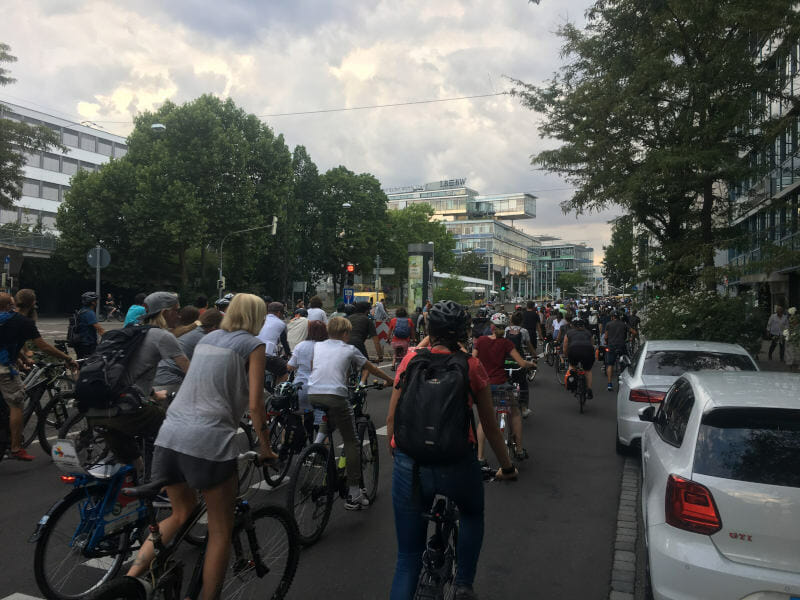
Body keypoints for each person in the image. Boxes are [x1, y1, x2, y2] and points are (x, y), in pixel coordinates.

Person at [127, 294, 278, 599]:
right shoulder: (253, 345)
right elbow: (255, 404)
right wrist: (265, 448)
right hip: (208, 440)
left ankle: (128, 583)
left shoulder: (208, 339)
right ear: (257, 317)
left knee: (180, 513)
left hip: (169, 435)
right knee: (221, 532)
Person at [386, 300, 518, 600]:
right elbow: (490, 425)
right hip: (457, 462)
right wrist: (507, 466)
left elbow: (392, 419)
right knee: (472, 513)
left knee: (407, 558)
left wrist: (397, 450)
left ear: (428, 329)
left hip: (412, 464)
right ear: (463, 332)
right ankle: (463, 583)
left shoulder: (410, 361)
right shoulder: (471, 366)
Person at [85, 292, 189, 476]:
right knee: (169, 433)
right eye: (176, 310)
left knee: (132, 463)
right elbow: (192, 373)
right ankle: (157, 488)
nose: (179, 315)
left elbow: (129, 373)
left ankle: (120, 492)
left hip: (95, 407)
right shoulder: (163, 337)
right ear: (165, 312)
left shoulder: (133, 332)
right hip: (123, 410)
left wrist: (152, 395)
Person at [307, 316, 394, 509]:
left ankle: (315, 446)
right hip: (336, 396)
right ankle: (354, 492)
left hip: (313, 393)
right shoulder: (350, 349)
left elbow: (319, 369)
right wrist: (391, 381)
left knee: (329, 414)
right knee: (352, 441)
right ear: (346, 334)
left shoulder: (318, 347)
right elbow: (371, 369)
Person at [0, 292, 76, 461]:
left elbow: (6, 343)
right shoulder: (23, 322)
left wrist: (21, 358)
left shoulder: (4, 319)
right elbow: (43, 346)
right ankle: (15, 447)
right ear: (33, 303)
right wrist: (67, 358)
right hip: (4, 370)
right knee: (16, 403)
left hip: (7, 362)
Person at [472, 312, 536, 463]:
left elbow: (473, 360)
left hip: (485, 387)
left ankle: (480, 457)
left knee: (484, 421)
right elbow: (521, 363)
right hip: (501, 385)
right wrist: (531, 364)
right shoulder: (507, 343)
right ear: (505, 327)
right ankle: (519, 450)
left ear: (491, 327)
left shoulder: (480, 341)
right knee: (515, 414)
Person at [153, 308, 224, 396]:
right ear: (214, 327)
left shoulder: (190, 331)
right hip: (171, 380)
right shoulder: (203, 338)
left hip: (158, 376)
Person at [287, 320, 328, 435]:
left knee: (292, 420)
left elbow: (290, 366)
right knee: (322, 429)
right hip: (319, 390)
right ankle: (320, 449)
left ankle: (285, 447)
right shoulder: (326, 347)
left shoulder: (301, 346)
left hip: (300, 389)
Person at [504, 311, 536, 418]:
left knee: (506, 381)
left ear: (511, 320)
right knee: (523, 383)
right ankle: (523, 408)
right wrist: (534, 355)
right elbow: (529, 345)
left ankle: (504, 403)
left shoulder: (507, 329)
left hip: (507, 359)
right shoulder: (524, 331)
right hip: (519, 360)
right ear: (522, 321)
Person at [563, 319, 595, 398]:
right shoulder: (588, 333)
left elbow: (565, 346)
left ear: (573, 326)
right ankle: (589, 389)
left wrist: (566, 355)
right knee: (587, 370)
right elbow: (592, 345)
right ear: (583, 326)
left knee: (572, 366)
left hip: (573, 350)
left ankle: (572, 382)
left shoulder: (569, 333)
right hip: (587, 351)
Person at [74, 292, 105, 359]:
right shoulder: (89, 313)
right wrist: (109, 338)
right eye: (96, 300)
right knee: (91, 363)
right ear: (93, 302)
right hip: (88, 344)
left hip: (80, 342)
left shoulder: (82, 310)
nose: (97, 302)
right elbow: (99, 329)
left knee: (81, 364)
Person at [603, 311, 629, 391]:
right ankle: (625, 381)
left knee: (610, 364)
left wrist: (606, 341)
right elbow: (634, 332)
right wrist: (630, 339)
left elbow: (605, 336)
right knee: (625, 362)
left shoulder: (608, 324)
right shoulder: (624, 324)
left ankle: (610, 384)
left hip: (611, 346)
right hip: (621, 346)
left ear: (612, 317)